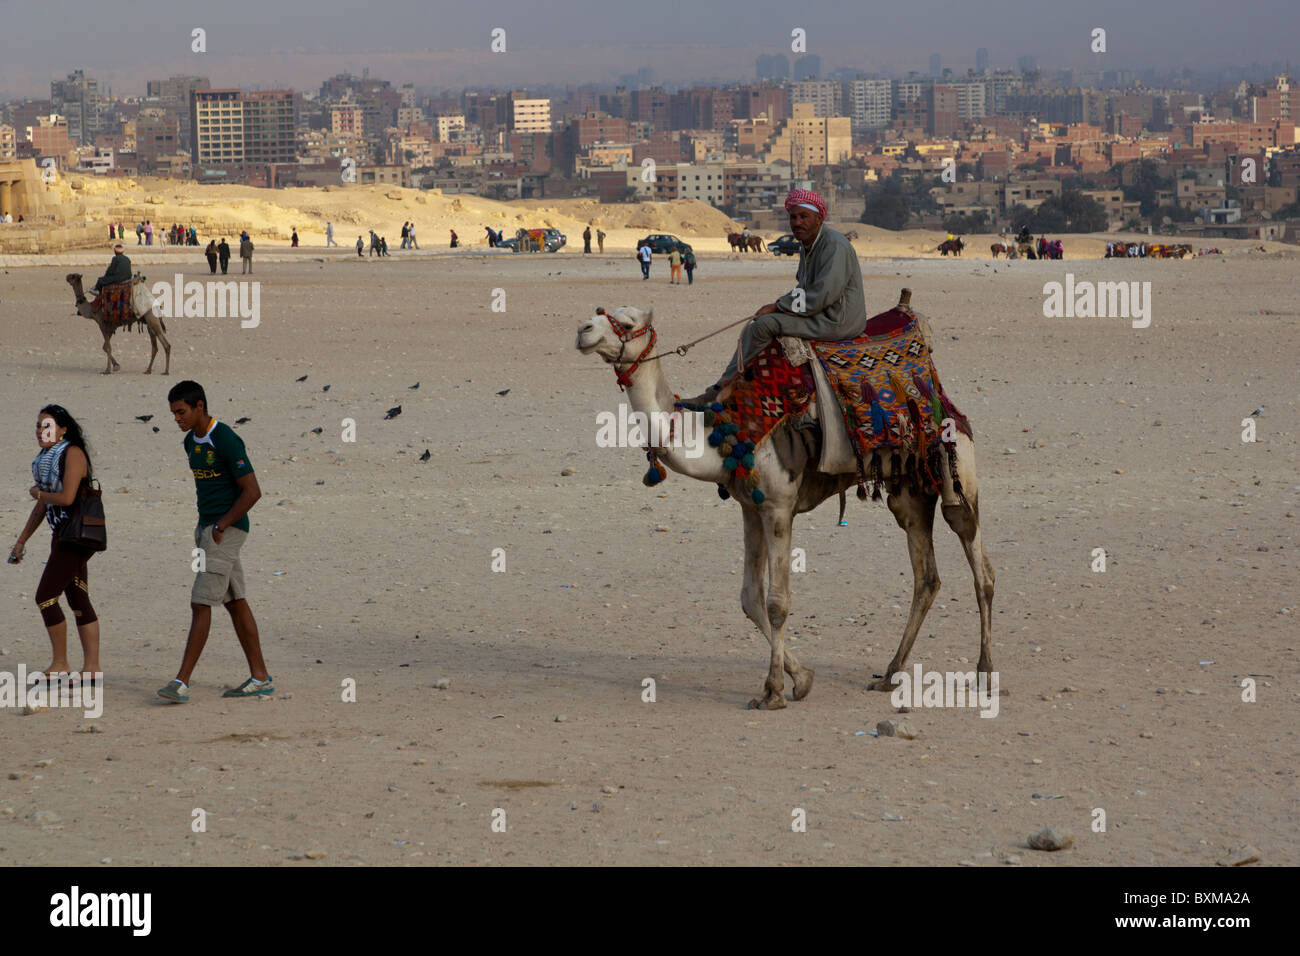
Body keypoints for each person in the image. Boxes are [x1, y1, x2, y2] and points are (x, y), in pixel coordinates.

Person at [678, 188, 867, 407]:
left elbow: (821, 295)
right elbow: (803, 289)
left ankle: (720, 389)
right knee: (764, 321)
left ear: (819, 218)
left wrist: (778, 307)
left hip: (837, 320)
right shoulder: (809, 246)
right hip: (822, 313)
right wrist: (779, 305)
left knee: (762, 327)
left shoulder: (833, 245)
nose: (797, 222)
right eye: (793, 217)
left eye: (804, 216)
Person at [158, 381, 272, 703]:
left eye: (181, 412)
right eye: (173, 413)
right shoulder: (189, 443)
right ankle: (260, 677)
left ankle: (181, 682)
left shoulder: (225, 439)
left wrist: (222, 524)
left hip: (226, 531)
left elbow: (253, 491)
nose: (177, 418)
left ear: (199, 407)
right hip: (206, 530)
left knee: (200, 601)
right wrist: (206, 527)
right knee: (235, 602)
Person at [10, 405, 102, 685]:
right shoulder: (47, 458)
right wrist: (22, 539)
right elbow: (44, 506)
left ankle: (61, 663)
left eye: (47, 426)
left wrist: (38, 492)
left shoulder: (72, 453)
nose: (41, 431)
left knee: (45, 596)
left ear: (62, 429)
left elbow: (66, 498)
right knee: (77, 597)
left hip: (76, 537)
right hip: (63, 534)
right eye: (38, 426)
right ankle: (91, 668)